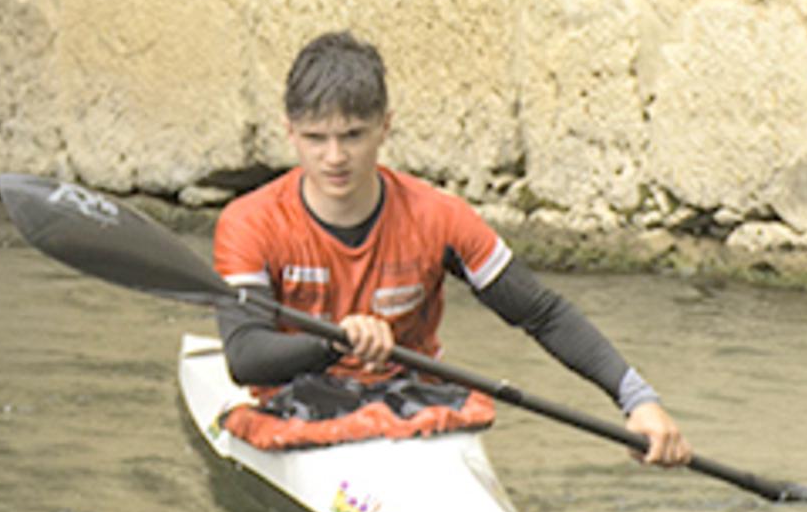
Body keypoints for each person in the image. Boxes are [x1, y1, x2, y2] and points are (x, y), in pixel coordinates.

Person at [210, 30, 694, 464]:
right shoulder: (251, 223)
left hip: (409, 398)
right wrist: (334, 341)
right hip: (295, 398)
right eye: (316, 139)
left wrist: (639, 400)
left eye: (353, 135)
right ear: (289, 131)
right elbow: (245, 356)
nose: (334, 157)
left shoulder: (438, 216)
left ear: (385, 126)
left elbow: (542, 314)